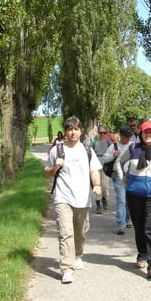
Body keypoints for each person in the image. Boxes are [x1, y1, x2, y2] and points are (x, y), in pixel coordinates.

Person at [44, 116, 103, 284]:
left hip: (83, 198)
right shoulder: (58, 150)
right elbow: (47, 172)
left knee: (81, 231)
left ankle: (78, 254)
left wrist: (97, 185)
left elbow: (94, 170)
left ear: (80, 131)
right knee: (65, 232)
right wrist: (55, 166)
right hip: (63, 197)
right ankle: (67, 268)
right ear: (66, 131)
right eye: (70, 129)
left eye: (76, 129)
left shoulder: (87, 150)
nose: (73, 132)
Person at [116, 121, 151, 279]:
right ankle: (142, 254)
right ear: (141, 133)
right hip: (134, 193)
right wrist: (122, 178)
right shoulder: (133, 148)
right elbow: (119, 162)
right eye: (145, 132)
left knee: (150, 227)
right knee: (139, 227)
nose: (148, 135)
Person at [102, 125, 133, 235]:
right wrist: (113, 156)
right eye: (126, 136)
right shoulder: (114, 146)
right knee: (121, 199)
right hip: (118, 176)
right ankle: (121, 225)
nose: (128, 138)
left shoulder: (133, 146)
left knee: (129, 199)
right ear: (121, 136)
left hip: (131, 176)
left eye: (129, 136)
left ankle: (127, 219)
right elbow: (104, 159)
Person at [91, 124, 112, 213]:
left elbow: (112, 153)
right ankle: (98, 204)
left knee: (105, 186)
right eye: (100, 133)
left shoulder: (108, 143)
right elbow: (90, 153)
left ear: (106, 133)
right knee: (97, 185)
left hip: (105, 166)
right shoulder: (94, 142)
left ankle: (104, 198)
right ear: (98, 133)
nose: (102, 134)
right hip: (96, 166)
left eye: (104, 133)